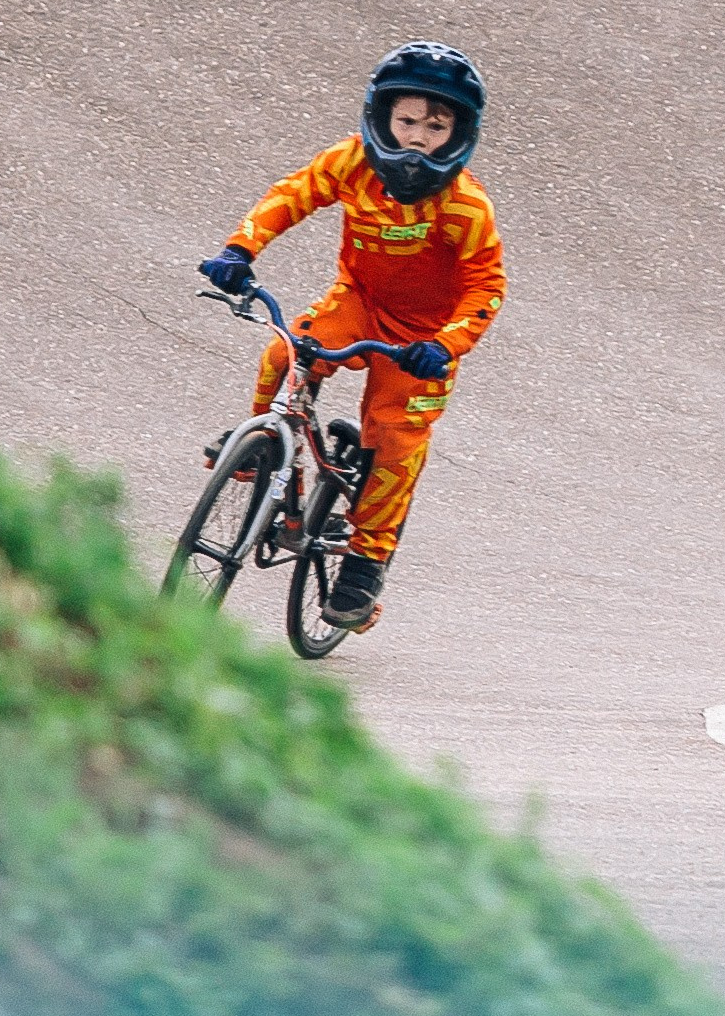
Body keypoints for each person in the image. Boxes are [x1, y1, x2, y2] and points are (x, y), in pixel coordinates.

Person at [197, 43, 505, 631]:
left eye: (436, 127)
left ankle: (366, 562)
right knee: (282, 352)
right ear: (382, 115)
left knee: (393, 436)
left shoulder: (467, 208)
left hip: (422, 340)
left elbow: (487, 287)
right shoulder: (351, 162)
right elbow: (292, 195)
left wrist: (444, 346)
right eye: (407, 120)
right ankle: (263, 456)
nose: (417, 137)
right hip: (358, 304)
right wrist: (240, 249)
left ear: (459, 133)